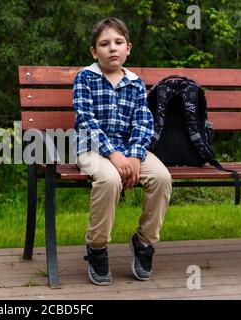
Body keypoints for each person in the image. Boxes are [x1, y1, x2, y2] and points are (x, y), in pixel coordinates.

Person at [73, 17, 172, 286]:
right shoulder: (85, 78)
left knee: (162, 178)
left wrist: (136, 156)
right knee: (109, 179)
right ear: (94, 52)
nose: (112, 48)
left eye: (118, 43)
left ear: (128, 48)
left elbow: (143, 122)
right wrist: (113, 155)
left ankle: (144, 243)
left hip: (130, 149)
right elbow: (85, 120)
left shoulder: (135, 83)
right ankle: (97, 247)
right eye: (104, 44)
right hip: (92, 148)